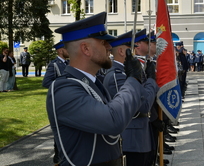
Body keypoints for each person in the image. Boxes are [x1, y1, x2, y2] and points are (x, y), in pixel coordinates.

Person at [46, 12, 146, 166]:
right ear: (85, 49)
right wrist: (133, 79)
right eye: (103, 42)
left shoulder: (93, 83)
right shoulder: (63, 89)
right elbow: (113, 121)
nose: (109, 47)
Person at [103, 29, 159, 166]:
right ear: (122, 52)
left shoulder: (126, 72)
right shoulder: (117, 75)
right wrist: (151, 79)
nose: (135, 53)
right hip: (132, 139)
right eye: (131, 49)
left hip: (140, 135)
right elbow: (143, 105)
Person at [42, 41, 69, 164]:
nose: (68, 50)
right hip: (60, 102)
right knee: (59, 134)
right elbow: (46, 82)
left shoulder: (69, 63)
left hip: (69, 102)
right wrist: (62, 86)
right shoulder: (54, 65)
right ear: (60, 51)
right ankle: (58, 159)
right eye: (65, 48)